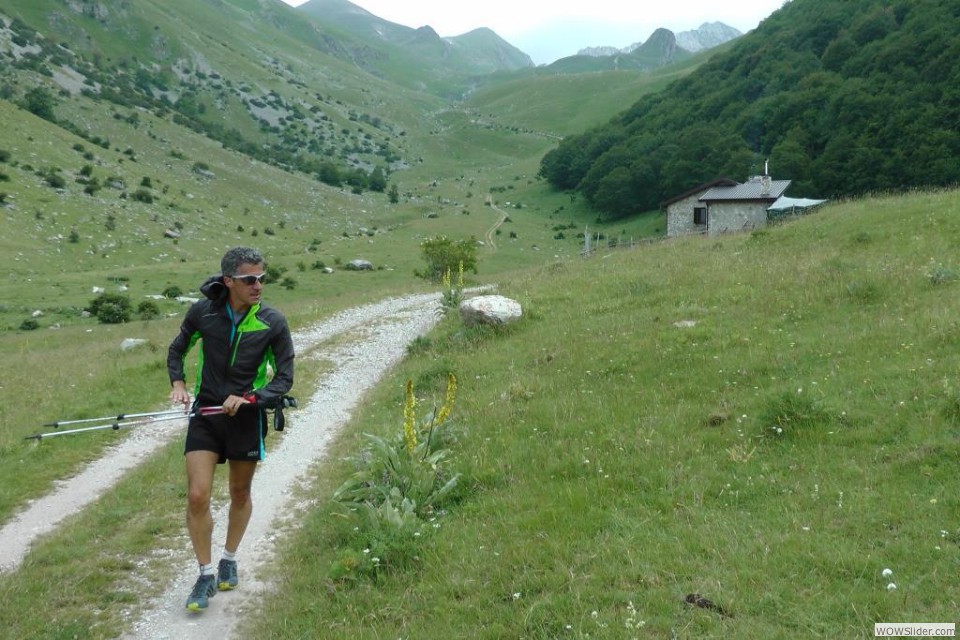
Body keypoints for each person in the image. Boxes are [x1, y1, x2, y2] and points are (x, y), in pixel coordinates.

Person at [167, 246, 294, 612]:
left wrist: (253, 397)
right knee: (197, 495)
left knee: (239, 494)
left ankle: (229, 558)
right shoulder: (204, 313)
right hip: (205, 415)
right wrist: (178, 383)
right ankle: (205, 574)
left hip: (245, 419)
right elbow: (177, 350)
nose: (258, 285)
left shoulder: (273, 321)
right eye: (249, 279)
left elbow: (284, 377)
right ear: (229, 281)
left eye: (261, 278)